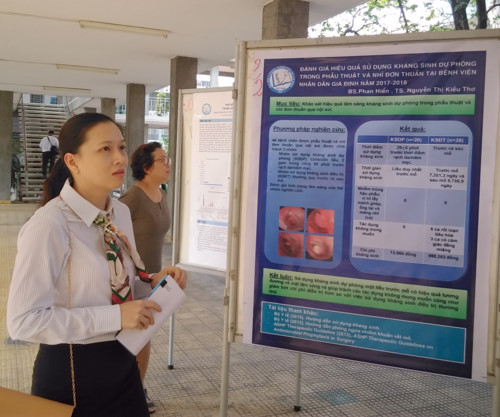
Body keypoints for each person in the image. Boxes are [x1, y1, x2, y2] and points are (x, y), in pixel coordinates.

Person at [7, 113, 187, 417]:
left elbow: (119, 283)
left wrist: (153, 283)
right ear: (72, 161)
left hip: (123, 365)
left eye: (121, 147)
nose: (119, 158)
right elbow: (23, 321)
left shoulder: (119, 212)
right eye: (105, 149)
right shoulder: (50, 224)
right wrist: (115, 317)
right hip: (72, 375)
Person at [119, 142, 171, 414]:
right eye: (163, 160)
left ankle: (137, 390)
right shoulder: (132, 197)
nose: (168, 164)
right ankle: (133, 393)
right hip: (132, 280)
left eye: (168, 158)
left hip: (153, 278)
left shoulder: (162, 193)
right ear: (147, 167)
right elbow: (111, 232)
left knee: (143, 336)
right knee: (137, 337)